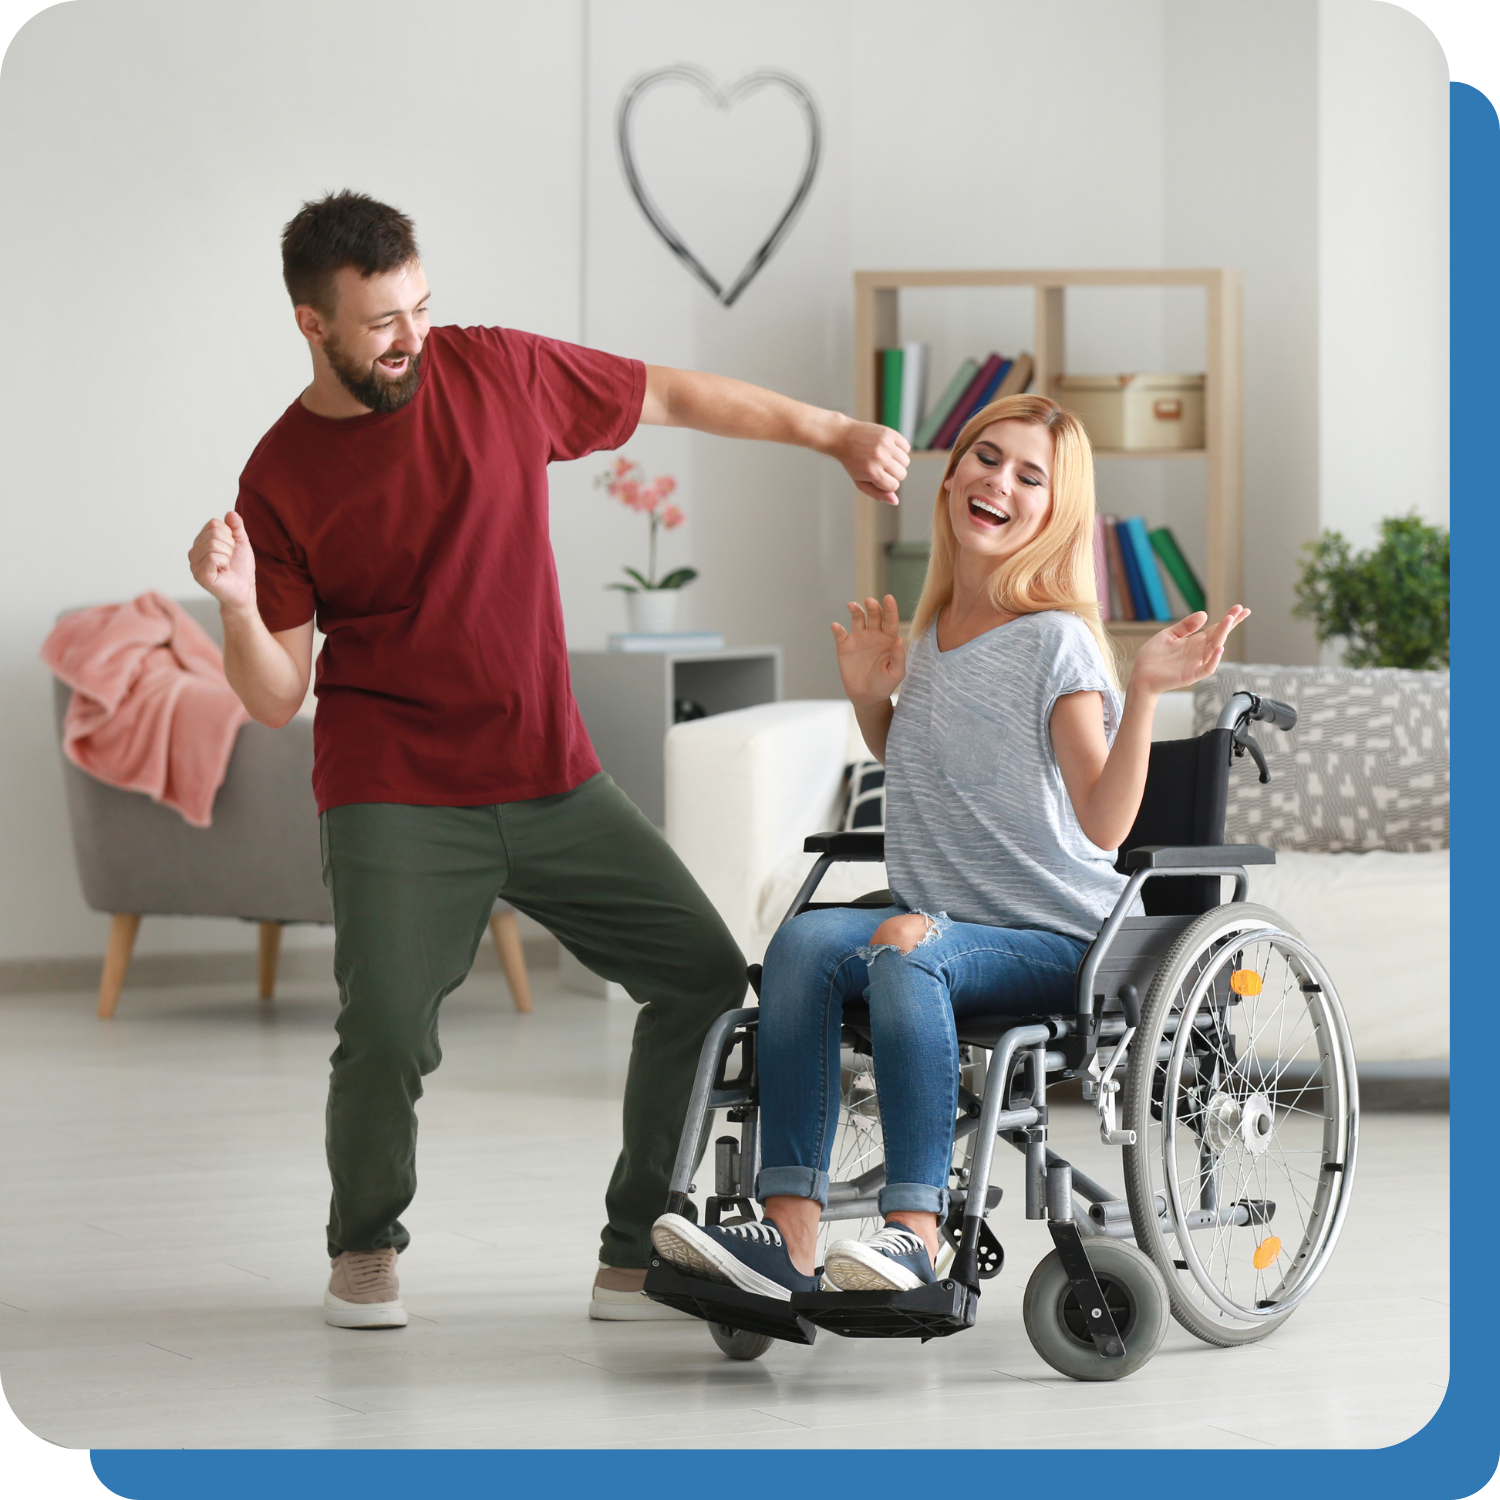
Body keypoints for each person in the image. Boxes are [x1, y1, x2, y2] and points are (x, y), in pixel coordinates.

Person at [186, 190, 910, 1329]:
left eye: (421, 306)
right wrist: (233, 606)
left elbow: (671, 394)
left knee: (706, 981)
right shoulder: (279, 474)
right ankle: (364, 1248)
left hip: (549, 771)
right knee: (384, 1032)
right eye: (381, 321)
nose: (412, 336)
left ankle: (634, 1252)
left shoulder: (501, 374)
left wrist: (833, 433)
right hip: (395, 787)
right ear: (311, 325)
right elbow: (276, 696)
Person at [650, 393, 1248, 1297]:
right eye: (984, 456)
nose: (998, 481)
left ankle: (917, 1232)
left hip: (1055, 937)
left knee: (903, 948)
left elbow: (1104, 823)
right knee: (803, 942)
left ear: (1056, 513)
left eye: (1029, 475)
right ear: (951, 472)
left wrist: (1149, 692)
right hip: (948, 924)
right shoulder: (931, 636)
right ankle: (791, 1234)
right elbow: (930, 770)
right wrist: (870, 700)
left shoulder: (1058, 644)